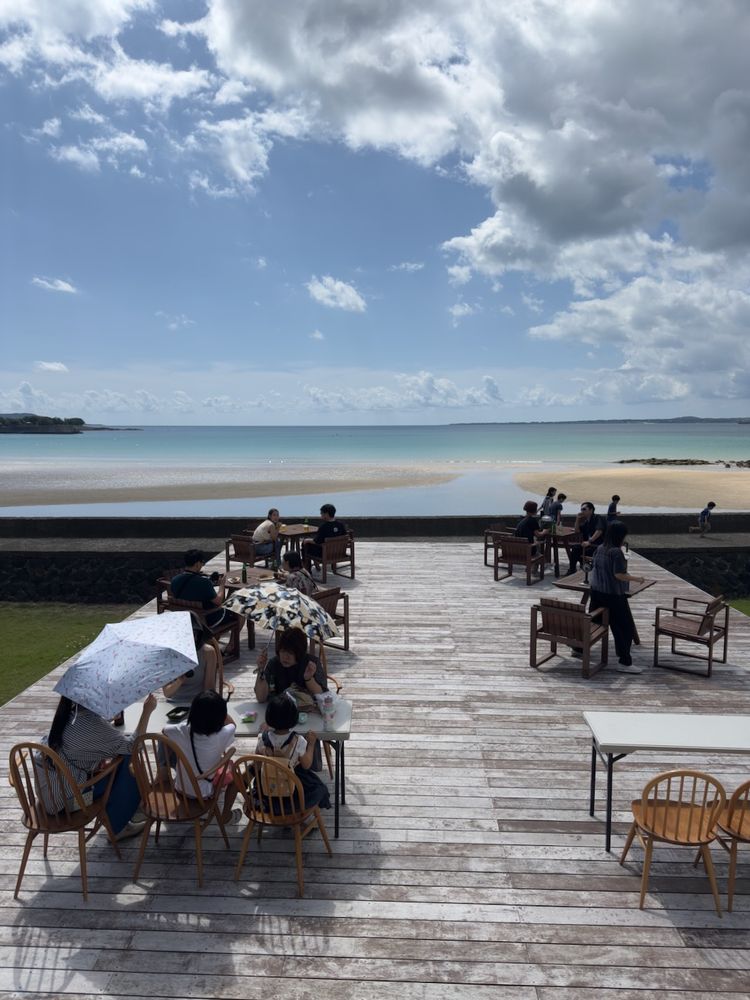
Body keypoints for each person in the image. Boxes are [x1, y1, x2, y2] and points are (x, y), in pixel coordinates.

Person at [37, 692, 157, 839]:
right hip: (68, 806)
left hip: (48, 799)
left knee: (111, 767)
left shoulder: (67, 716)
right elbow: (133, 746)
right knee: (124, 761)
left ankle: (128, 813)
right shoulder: (89, 723)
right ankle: (119, 826)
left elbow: (73, 754)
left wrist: (95, 765)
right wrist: (147, 711)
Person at [162, 690, 237, 821]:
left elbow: (164, 731)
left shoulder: (181, 729)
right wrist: (223, 712)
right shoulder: (221, 735)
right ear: (220, 716)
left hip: (180, 788)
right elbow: (233, 725)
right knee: (235, 777)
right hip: (204, 793)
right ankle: (226, 814)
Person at [589, 521, 646, 674]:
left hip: (596, 592)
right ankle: (624, 662)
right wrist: (637, 579)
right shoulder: (616, 552)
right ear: (620, 536)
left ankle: (579, 648)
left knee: (593, 620)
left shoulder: (600, 548)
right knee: (624, 628)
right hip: (613, 595)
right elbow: (619, 575)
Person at [256, 695, 331, 811]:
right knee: (318, 788)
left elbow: (257, 763)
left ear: (269, 717)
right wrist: (311, 745)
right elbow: (307, 764)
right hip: (292, 793)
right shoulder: (297, 740)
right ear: (294, 718)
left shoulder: (263, 738)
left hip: (268, 792)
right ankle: (300, 818)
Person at [254, 627, 327, 706]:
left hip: (307, 710)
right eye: (282, 651)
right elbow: (261, 698)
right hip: (279, 709)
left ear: (299, 653)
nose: (285, 657)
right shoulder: (274, 663)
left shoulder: (311, 663)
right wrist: (261, 669)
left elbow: (322, 695)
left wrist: (309, 679)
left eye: (290, 653)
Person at [171, 549, 239, 632]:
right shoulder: (204, 582)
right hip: (207, 620)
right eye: (202, 562)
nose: (202, 565)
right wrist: (222, 585)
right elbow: (219, 601)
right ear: (197, 564)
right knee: (241, 608)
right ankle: (231, 644)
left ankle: (214, 640)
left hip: (185, 620)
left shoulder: (174, 580)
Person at [163, 622, 221, 703]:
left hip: (199, 701)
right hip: (175, 701)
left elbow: (209, 688)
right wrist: (180, 680)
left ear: (197, 636)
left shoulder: (208, 652)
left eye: (192, 635)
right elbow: (167, 693)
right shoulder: (168, 654)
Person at [301, 504, 347, 571]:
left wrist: (307, 540)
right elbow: (344, 537)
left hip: (325, 554)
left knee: (305, 544)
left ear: (326, 514)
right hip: (338, 553)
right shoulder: (341, 525)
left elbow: (317, 541)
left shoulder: (324, 527)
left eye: (321, 513)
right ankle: (315, 566)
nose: (321, 515)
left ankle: (307, 569)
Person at [567, 502, 606, 574]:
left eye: (584, 509)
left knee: (576, 552)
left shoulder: (598, 518)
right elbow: (576, 531)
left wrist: (589, 541)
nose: (582, 511)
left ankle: (583, 568)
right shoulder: (586, 522)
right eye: (581, 509)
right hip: (589, 546)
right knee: (575, 549)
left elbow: (599, 530)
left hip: (598, 547)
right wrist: (577, 519)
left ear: (591, 510)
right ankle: (573, 569)